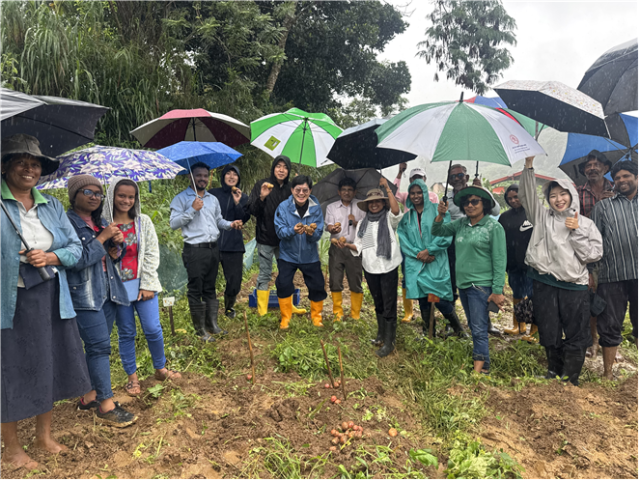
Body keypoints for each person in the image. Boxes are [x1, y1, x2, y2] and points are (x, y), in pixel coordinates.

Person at [1, 135, 90, 469]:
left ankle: (44, 436)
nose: (29, 169)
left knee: (48, 362)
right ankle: (12, 450)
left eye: (35, 163)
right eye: (21, 162)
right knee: (9, 369)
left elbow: (76, 248)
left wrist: (50, 256)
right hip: (9, 300)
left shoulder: (51, 205)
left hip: (51, 295)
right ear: (5, 166)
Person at [519, 156, 603, 386]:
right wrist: (528, 167)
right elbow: (527, 196)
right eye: (553, 195)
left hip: (573, 286)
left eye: (563, 194)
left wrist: (576, 232)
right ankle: (553, 373)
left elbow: (593, 255)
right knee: (549, 328)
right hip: (545, 282)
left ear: (572, 195)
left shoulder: (585, 224)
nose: (558, 199)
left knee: (576, 331)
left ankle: (570, 378)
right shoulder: (541, 217)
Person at [66, 175, 137, 427]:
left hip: (108, 290)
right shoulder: (67, 223)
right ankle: (106, 405)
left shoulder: (101, 222)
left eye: (98, 193)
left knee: (97, 346)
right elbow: (75, 260)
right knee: (99, 347)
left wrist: (117, 248)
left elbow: (110, 257)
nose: (95, 197)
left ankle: (89, 396)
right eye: (88, 192)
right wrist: (103, 238)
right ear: (74, 195)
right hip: (85, 295)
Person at [106, 177, 181, 396]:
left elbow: (151, 253)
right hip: (119, 289)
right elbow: (99, 258)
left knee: (153, 328)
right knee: (126, 332)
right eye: (121, 195)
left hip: (143, 286)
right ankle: (132, 378)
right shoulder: (104, 225)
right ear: (112, 196)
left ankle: (160, 368)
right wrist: (110, 252)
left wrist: (147, 284)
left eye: (131, 197)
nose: (126, 200)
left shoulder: (143, 222)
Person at [432, 186, 507, 374]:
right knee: (475, 326)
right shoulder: (460, 224)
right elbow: (437, 230)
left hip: (480, 285)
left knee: (478, 328)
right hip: (463, 284)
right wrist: (440, 214)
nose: (470, 205)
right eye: (466, 202)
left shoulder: (493, 227)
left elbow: (499, 260)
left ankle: (479, 372)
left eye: (475, 201)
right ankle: (482, 365)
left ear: (485, 204)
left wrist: (497, 290)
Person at [170, 162, 243, 341]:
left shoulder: (212, 199)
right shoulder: (181, 199)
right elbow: (174, 223)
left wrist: (231, 224)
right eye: (198, 175)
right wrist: (192, 209)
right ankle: (200, 329)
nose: (202, 179)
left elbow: (218, 220)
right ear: (190, 177)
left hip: (213, 249)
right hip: (194, 250)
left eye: (205, 175)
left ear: (209, 177)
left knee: (210, 287)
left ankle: (212, 325)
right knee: (196, 288)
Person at [397, 179, 467, 338]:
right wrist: (418, 254)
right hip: (417, 262)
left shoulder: (439, 211)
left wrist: (429, 250)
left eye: (419, 192)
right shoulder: (408, 217)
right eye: (412, 193)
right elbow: (403, 238)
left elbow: (445, 235)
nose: (416, 196)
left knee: (438, 297)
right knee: (423, 298)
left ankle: (460, 331)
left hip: (435, 261)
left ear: (425, 193)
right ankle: (429, 333)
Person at [344, 179, 403, 357]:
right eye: (371, 202)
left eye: (378, 201)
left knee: (389, 304)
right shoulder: (363, 223)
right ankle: (381, 335)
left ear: (383, 203)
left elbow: (396, 211)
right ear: (367, 205)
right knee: (378, 302)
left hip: (388, 267)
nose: (374, 204)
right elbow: (360, 245)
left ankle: (390, 342)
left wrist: (387, 189)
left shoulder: (389, 219)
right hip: (370, 268)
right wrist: (346, 245)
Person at [591, 160, 638, 379]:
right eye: (617, 178)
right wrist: (591, 272)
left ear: (636, 178)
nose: (621, 180)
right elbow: (592, 242)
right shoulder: (603, 207)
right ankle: (608, 373)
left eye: (626, 176)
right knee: (609, 323)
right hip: (612, 274)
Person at [444, 164, 502, 336]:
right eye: (453, 176)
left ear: (467, 177)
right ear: (449, 180)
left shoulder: (477, 193)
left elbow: (496, 210)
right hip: (455, 244)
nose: (457, 179)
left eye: (460, 175)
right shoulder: (446, 198)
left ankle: (486, 322)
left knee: (481, 285)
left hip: (478, 243)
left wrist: (482, 189)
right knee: (452, 282)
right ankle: (451, 323)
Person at [247, 155, 305, 316]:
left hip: (285, 239)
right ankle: (262, 310)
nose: (281, 170)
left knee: (286, 273)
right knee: (265, 273)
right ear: (273, 168)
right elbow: (252, 210)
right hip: (265, 237)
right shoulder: (262, 185)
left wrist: (299, 192)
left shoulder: (291, 188)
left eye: (285, 167)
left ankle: (289, 305)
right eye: (278, 166)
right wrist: (262, 197)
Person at [274, 175, 327, 329]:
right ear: (292, 190)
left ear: (310, 190)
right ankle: (285, 318)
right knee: (283, 284)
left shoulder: (316, 208)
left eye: (305, 190)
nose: (301, 193)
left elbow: (318, 232)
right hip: (288, 255)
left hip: (309, 255)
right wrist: (292, 230)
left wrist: (311, 234)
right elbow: (280, 231)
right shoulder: (283, 207)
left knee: (317, 285)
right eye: (298, 190)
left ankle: (316, 317)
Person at [576, 150, 614, 359]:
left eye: (597, 164)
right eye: (588, 165)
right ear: (584, 170)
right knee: (591, 296)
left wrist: (613, 204)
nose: (592, 168)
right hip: (588, 252)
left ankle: (610, 341)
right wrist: (598, 208)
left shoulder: (616, 189)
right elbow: (574, 222)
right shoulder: (578, 192)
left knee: (611, 298)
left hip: (613, 252)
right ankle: (593, 340)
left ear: (606, 168)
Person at [394, 163, 439, 324]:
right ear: (410, 180)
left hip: (427, 244)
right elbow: (394, 193)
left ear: (425, 179)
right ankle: (409, 312)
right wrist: (400, 173)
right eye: (414, 178)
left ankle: (431, 313)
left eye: (420, 177)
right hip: (409, 245)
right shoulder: (407, 196)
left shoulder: (433, 197)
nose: (417, 180)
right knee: (408, 277)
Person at [209, 164, 251, 318]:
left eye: (235, 174)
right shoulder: (212, 194)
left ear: (238, 178)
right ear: (223, 176)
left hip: (234, 245)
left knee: (234, 281)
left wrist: (237, 202)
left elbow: (243, 219)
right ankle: (211, 309)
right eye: (228, 173)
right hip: (212, 243)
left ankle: (229, 307)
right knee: (209, 278)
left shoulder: (244, 197)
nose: (231, 176)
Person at [498, 184, 537, 341]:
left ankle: (534, 330)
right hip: (512, 263)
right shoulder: (504, 217)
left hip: (531, 264)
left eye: (516, 197)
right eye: (510, 198)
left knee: (532, 295)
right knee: (517, 294)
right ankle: (518, 325)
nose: (513, 200)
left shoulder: (533, 214)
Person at [325, 177, 366, 321]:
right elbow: (329, 225)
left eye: (349, 190)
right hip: (336, 247)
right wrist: (333, 229)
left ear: (355, 192)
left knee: (355, 280)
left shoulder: (361, 206)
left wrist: (356, 223)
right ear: (339, 192)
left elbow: (367, 228)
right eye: (344, 190)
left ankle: (355, 314)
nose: (346, 193)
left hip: (354, 247)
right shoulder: (331, 207)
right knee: (335, 280)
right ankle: (338, 313)